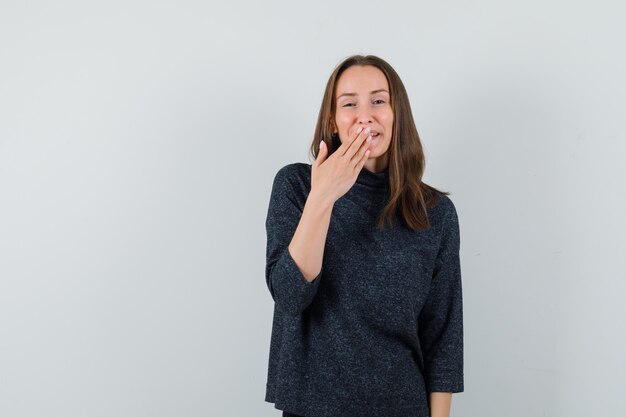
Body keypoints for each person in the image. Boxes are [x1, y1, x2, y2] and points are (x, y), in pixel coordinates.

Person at [264, 54, 464, 417]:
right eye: (349, 104)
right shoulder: (296, 187)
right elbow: (291, 295)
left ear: (396, 113)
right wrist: (323, 195)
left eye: (378, 100)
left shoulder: (434, 212)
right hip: (312, 407)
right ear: (333, 120)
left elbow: (443, 338)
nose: (365, 115)